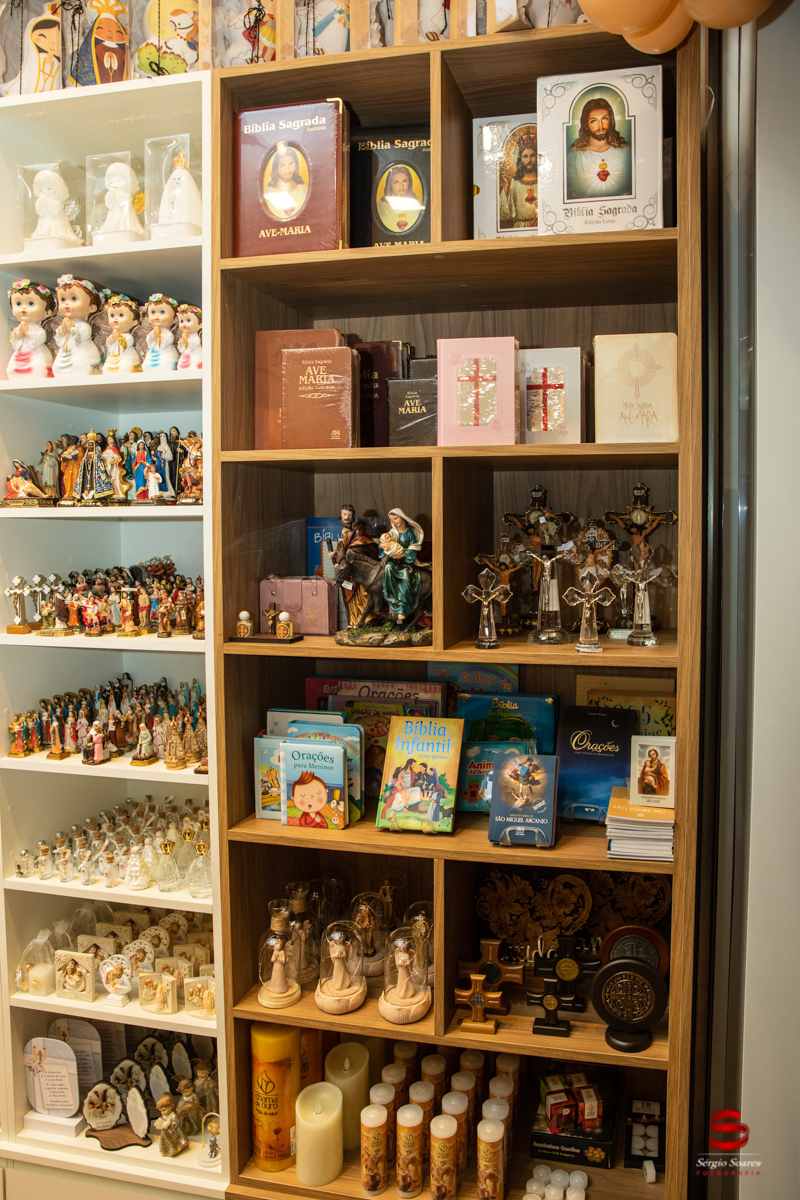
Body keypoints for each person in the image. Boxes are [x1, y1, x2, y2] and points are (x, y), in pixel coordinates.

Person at [566, 94, 632, 200]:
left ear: (611, 121)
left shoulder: (627, 150)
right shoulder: (573, 155)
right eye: (594, 121)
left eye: (604, 119)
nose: (600, 126)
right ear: (586, 125)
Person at [379, 508, 424, 624]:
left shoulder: (410, 533)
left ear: (402, 517)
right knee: (388, 568)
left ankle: (402, 608)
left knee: (405, 576)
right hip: (394, 562)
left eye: (396, 518)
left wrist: (403, 555)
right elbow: (383, 548)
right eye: (392, 520)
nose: (394, 522)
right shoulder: (391, 533)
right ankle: (391, 599)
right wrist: (384, 547)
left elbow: (414, 549)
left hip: (407, 563)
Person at [499, 129, 537, 229]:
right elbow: (504, 214)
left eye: (532, 156)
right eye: (525, 156)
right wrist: (507, 185)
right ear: (520, 159)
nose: (529, 160)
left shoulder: (542, 183)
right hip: (520, 229)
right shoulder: (514, 183)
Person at [264, 145, 308, 220]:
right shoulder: (267, 193)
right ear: (276, 168)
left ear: (296, 166)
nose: (288, 170)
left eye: (291, 164)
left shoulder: (304, 189)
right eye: (282, 165)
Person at [377, 165, 423, 234]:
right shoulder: (381, 206)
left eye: (405, 181)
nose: (401, 186)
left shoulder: (416, 206)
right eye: (396, 182)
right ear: (389, 184)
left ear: (410, 182)